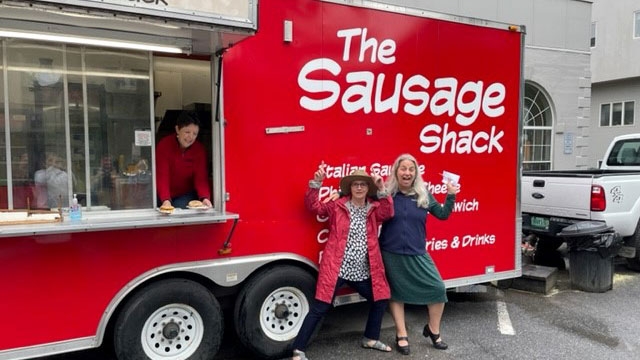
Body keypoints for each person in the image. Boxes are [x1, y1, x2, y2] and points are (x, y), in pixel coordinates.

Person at [291, 164, 394, 360]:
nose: (359, 188)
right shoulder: (337, 206)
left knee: (380, 299)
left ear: (367, 188)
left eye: (363, 184)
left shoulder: (374, 208)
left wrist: (382, 189)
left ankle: (370, 338)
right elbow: (314, 207)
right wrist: (317, 183)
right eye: (355, 184)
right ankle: (298, 350)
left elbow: (389, 213)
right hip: (337, 268)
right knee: (320, 307)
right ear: (350, 187)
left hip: (362, 270)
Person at [378, 153, 457, 355]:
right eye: (403, 168)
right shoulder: (386, 194)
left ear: (416, 173)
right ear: (396, 172)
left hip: (417, 252)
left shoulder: (423, 194)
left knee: (438, 289)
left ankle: (433, 330)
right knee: (396, 294)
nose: (407, 172)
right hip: (390, 252)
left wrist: (450, 195)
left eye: (411, 169)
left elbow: (442, 214)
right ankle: (401, 334)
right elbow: (362, 203)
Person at [156, 110, 212, 209]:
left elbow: (201, 178)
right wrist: (166, 200)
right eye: (187, 132)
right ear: (177, 129)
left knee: (179, 208)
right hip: (162, 192)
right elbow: (162, 176)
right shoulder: (164, 145)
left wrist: (205, 198)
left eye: (195, 134)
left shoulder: (199, 150)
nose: (190, 137)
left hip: (185, 194)